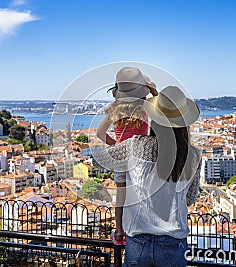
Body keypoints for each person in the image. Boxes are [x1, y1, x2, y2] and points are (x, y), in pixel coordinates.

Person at [93, 85, 201, 266]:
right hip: (173, 242)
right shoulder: (194, 155)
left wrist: (120, 100)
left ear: (155, 119)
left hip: (138, 241)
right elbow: (189, 199)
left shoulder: (136, 146)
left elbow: (99, 161)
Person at [97, 67, 157, 245]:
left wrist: (116, 144)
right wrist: (154, 92)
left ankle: (119, 232)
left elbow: (100, 134)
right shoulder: (145, 108)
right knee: (141, 194)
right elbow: (164, 111)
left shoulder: (114, 110)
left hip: (120, 157)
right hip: (140, 155)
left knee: (121, 197)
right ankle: (143, 227)